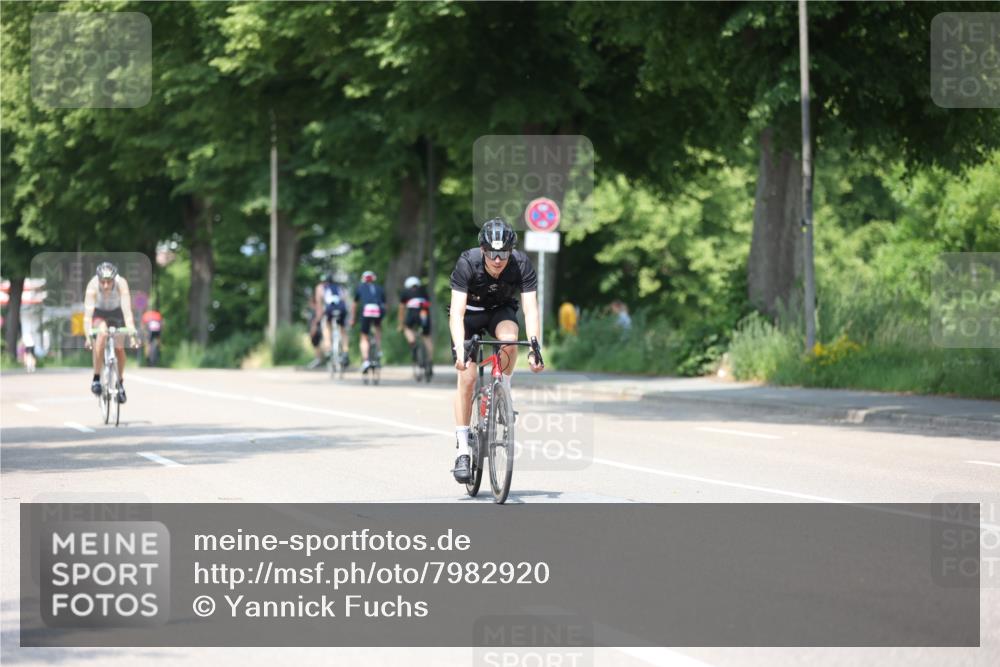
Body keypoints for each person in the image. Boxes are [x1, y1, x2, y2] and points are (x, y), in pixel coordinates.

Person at [448, 218, 544, 483]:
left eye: (503, 253)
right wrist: (459, 349)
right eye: (492, 253)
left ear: (511, 251)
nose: (498, 259)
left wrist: (535, 347)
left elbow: (530, 309)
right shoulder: (468, 262)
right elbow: (456, 312)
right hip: (469, 315)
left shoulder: (521, 264)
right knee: (467, 377)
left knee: (511, 340)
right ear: (483, 249)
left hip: (500, 312)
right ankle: (463, 449)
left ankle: (504, 392)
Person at [83, 262, 137, 402]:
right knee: (101, 334)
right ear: (98, 279)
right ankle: (96, 378)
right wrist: (88, 337)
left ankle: (120, 384)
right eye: (103, 282)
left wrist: (132, 334)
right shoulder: (92, 285)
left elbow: (127, 311)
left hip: (116, 313)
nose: (106, 285)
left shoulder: (121, 283)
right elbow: (87, 317)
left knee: (119, 348)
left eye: (109, 281)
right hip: (99, 313)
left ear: (114, 279)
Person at [397, 275, 433, 378]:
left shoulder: (405, 293)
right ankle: (429, 361)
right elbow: (428, 305)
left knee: (407, 328)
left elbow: (401, 310)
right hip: (424, 314)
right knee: (426, 337)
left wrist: (401, 324)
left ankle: (413, 344)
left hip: (412, 314)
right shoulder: (423, 291)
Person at [350, 270, 385, 375]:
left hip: (367, 310)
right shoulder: (379, 288)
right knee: (378, 329)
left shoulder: (360, 288)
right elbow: (384, 304)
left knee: (364, 337)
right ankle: (378, 351)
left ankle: (365, 360)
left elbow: (354, 305)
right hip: (377, 310)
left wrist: (353, 318)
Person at [314, 272, 350, 369]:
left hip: (329, 310)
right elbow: (345, 299)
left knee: (326, 327)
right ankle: (346, 352)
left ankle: (329, 349)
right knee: (343, 330)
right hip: (342, 310)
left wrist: (318, 317)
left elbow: (319, 304)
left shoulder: (320, 288)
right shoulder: (340, 287)